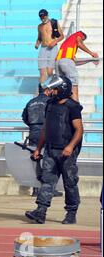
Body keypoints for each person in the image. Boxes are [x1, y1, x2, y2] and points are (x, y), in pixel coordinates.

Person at [25, 76, 84, 225]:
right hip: (51, 150)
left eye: (55, 88)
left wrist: (70, 147)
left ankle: (71, 213)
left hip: (66, 152)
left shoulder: (73, 107)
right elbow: (45, 128)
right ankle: (41, 211)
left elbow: (79, 130)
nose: (52, 91)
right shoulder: (50, 104)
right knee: (47, 181)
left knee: (70, 182)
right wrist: (38, 148)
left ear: (63, 89)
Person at [22, 84, 62, 198]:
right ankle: (49, 189)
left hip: (33, 134)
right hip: (47, 133)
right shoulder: (50, 102)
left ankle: (35, 189)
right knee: (49, 162)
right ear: (48, 91)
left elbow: (25, 117)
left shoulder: (30, 102)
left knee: (35, 162)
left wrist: (33, 127)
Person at [55, 31, 99, 102]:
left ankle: (59, 109)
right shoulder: (79, 34)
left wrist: (90, 60)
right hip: (66, 61)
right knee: (74, 87)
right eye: (83, 39)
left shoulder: (67, 46)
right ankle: (76, 109)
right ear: (83, 37)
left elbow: (73, 62)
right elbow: (79, 43)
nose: (82, 40)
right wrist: (91, 53)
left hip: (57, 62)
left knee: (60, 88)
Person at [35, 9, 64, 84]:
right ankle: (42, 91)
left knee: (49, 71)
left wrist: (55, 41)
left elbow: (62, 36)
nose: (42, 18)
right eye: (41, 17)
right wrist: (37, 43)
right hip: (43, 48)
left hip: (52, 48)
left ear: (47, 15)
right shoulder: (39, 26)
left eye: (44, 17)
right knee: (42, 72)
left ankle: (53, 86)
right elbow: (39, 38)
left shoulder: (54, 23)